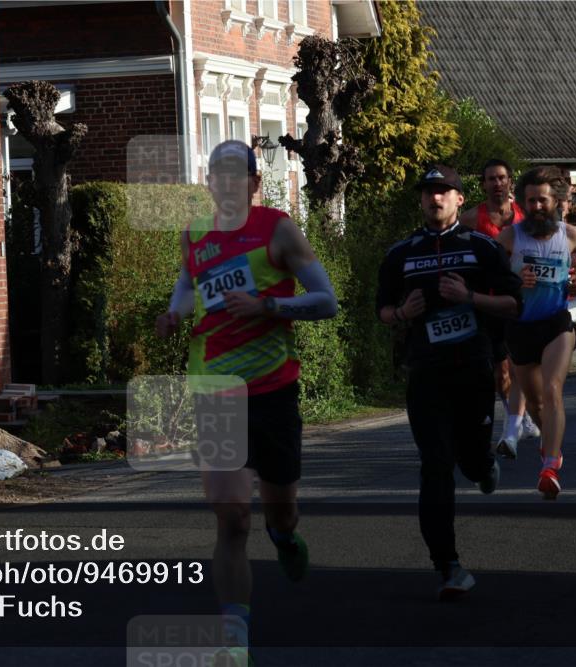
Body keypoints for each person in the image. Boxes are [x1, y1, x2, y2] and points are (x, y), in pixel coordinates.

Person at [155, 140, 337, 662]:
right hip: (214, 388)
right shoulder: (195, 233)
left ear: (255, 183)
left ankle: (285, 538)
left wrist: (267, 307)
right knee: (233, 517)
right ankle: (234, 640)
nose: (227, 183)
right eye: (218, 174)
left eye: (237, 175)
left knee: (282, 513)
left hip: (273, 389)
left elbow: (326, 302)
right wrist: (174, 314)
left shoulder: (278, 229)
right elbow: (186, 287)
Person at [377, 164, 522, 600]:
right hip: (426, 374)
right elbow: (381, 309)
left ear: (460, 199)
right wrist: (402, 313)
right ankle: (448, 566)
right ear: (421, 200)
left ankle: (484, 466)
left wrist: (470, 298)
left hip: (473, 371)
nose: (435, 198)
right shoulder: (401, 254)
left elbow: (514, 303)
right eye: (428, 192)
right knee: (436, 464)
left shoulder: (482, 247)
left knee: (472, 463)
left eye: (444, 191)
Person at [496, 166, 576, 500]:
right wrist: (514, 281)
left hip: (556, 323)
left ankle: (550, 467)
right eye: (531, 201)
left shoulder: (569, 234)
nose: (537, 207)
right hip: (521, 327)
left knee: (553, 388)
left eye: (543, 200)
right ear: (522, 203)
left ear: (555, 200)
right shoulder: (510, 238)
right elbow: (488, 275)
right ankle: (548, 445)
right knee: (536, 402)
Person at [458, 159, 540, 457]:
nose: (497, 183)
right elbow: (459, 254)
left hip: (521, 301)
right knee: (501, 372)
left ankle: (518, 423)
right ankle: (519, 418)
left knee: (521, 365)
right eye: (491, 178)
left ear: (510, 182)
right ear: (483, 184)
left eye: (502, 178)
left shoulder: (525, 217)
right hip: (488, 303)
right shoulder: (470, 219)